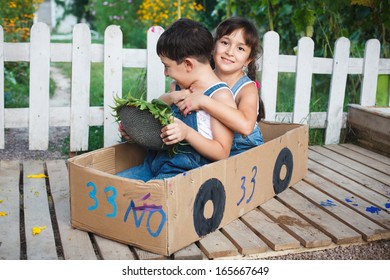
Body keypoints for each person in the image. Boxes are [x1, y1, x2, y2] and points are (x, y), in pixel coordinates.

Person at [116, 18, 237, 181]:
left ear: (188, 64)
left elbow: (222, 152)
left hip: (186, 174)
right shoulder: (177, 88)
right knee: (114, 187)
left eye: (167, 66)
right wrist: (136, 130)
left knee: (144, 201)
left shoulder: (219, 96)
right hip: (153, 165)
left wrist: (187, 132)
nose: (165, 73)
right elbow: (160, 116)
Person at [169, 17, 265, 156]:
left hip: (244, 149)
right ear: (213, 47)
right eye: (225, 43)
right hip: (209, 149)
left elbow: (246, 126)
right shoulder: (199, 80)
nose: (230, 52)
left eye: (240, 48)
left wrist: (203, 101)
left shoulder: (246, 88)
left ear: (248, 60)